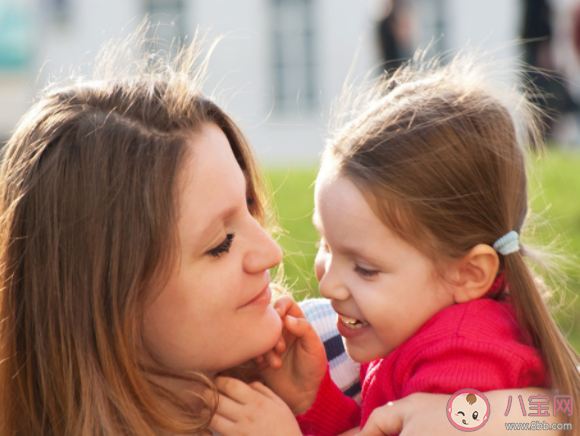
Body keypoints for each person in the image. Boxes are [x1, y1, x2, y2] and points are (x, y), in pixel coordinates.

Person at [0, 33, 567, 435]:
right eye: (219, 243)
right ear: (104, 297)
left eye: (249, 205)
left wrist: (495, 415)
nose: (273, 253)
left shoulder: (339, 340)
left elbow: (548, 402)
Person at [207, 51, 578, 435]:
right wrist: (311, 401)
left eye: (365, 268)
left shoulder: (463, 355)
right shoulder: (419, 325)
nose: (328, 284)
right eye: (327, 245)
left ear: (469, 274)